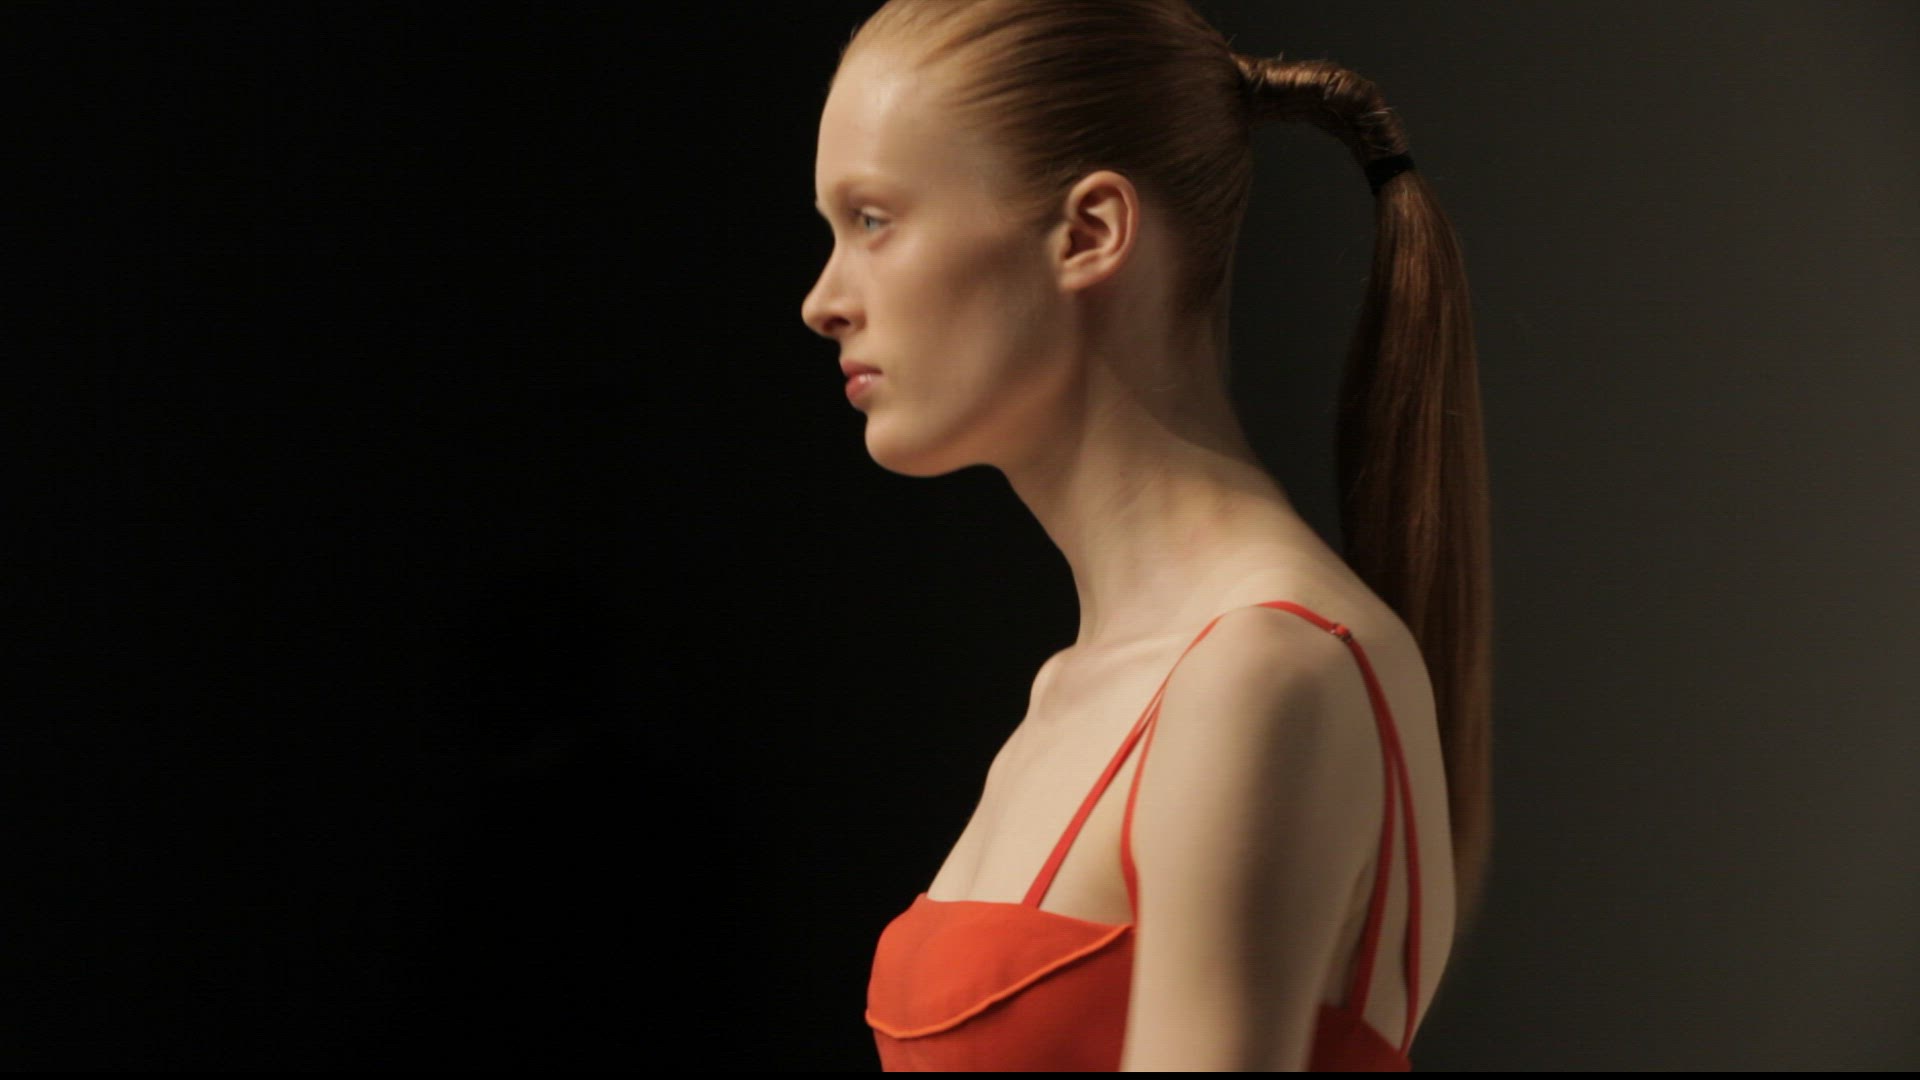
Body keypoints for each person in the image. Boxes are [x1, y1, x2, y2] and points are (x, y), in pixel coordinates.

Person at [802, 0, 1492, 1070]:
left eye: (875, 220)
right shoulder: (1089, 689)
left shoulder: (1260, 673)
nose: (823, 300)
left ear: (1089, 233)